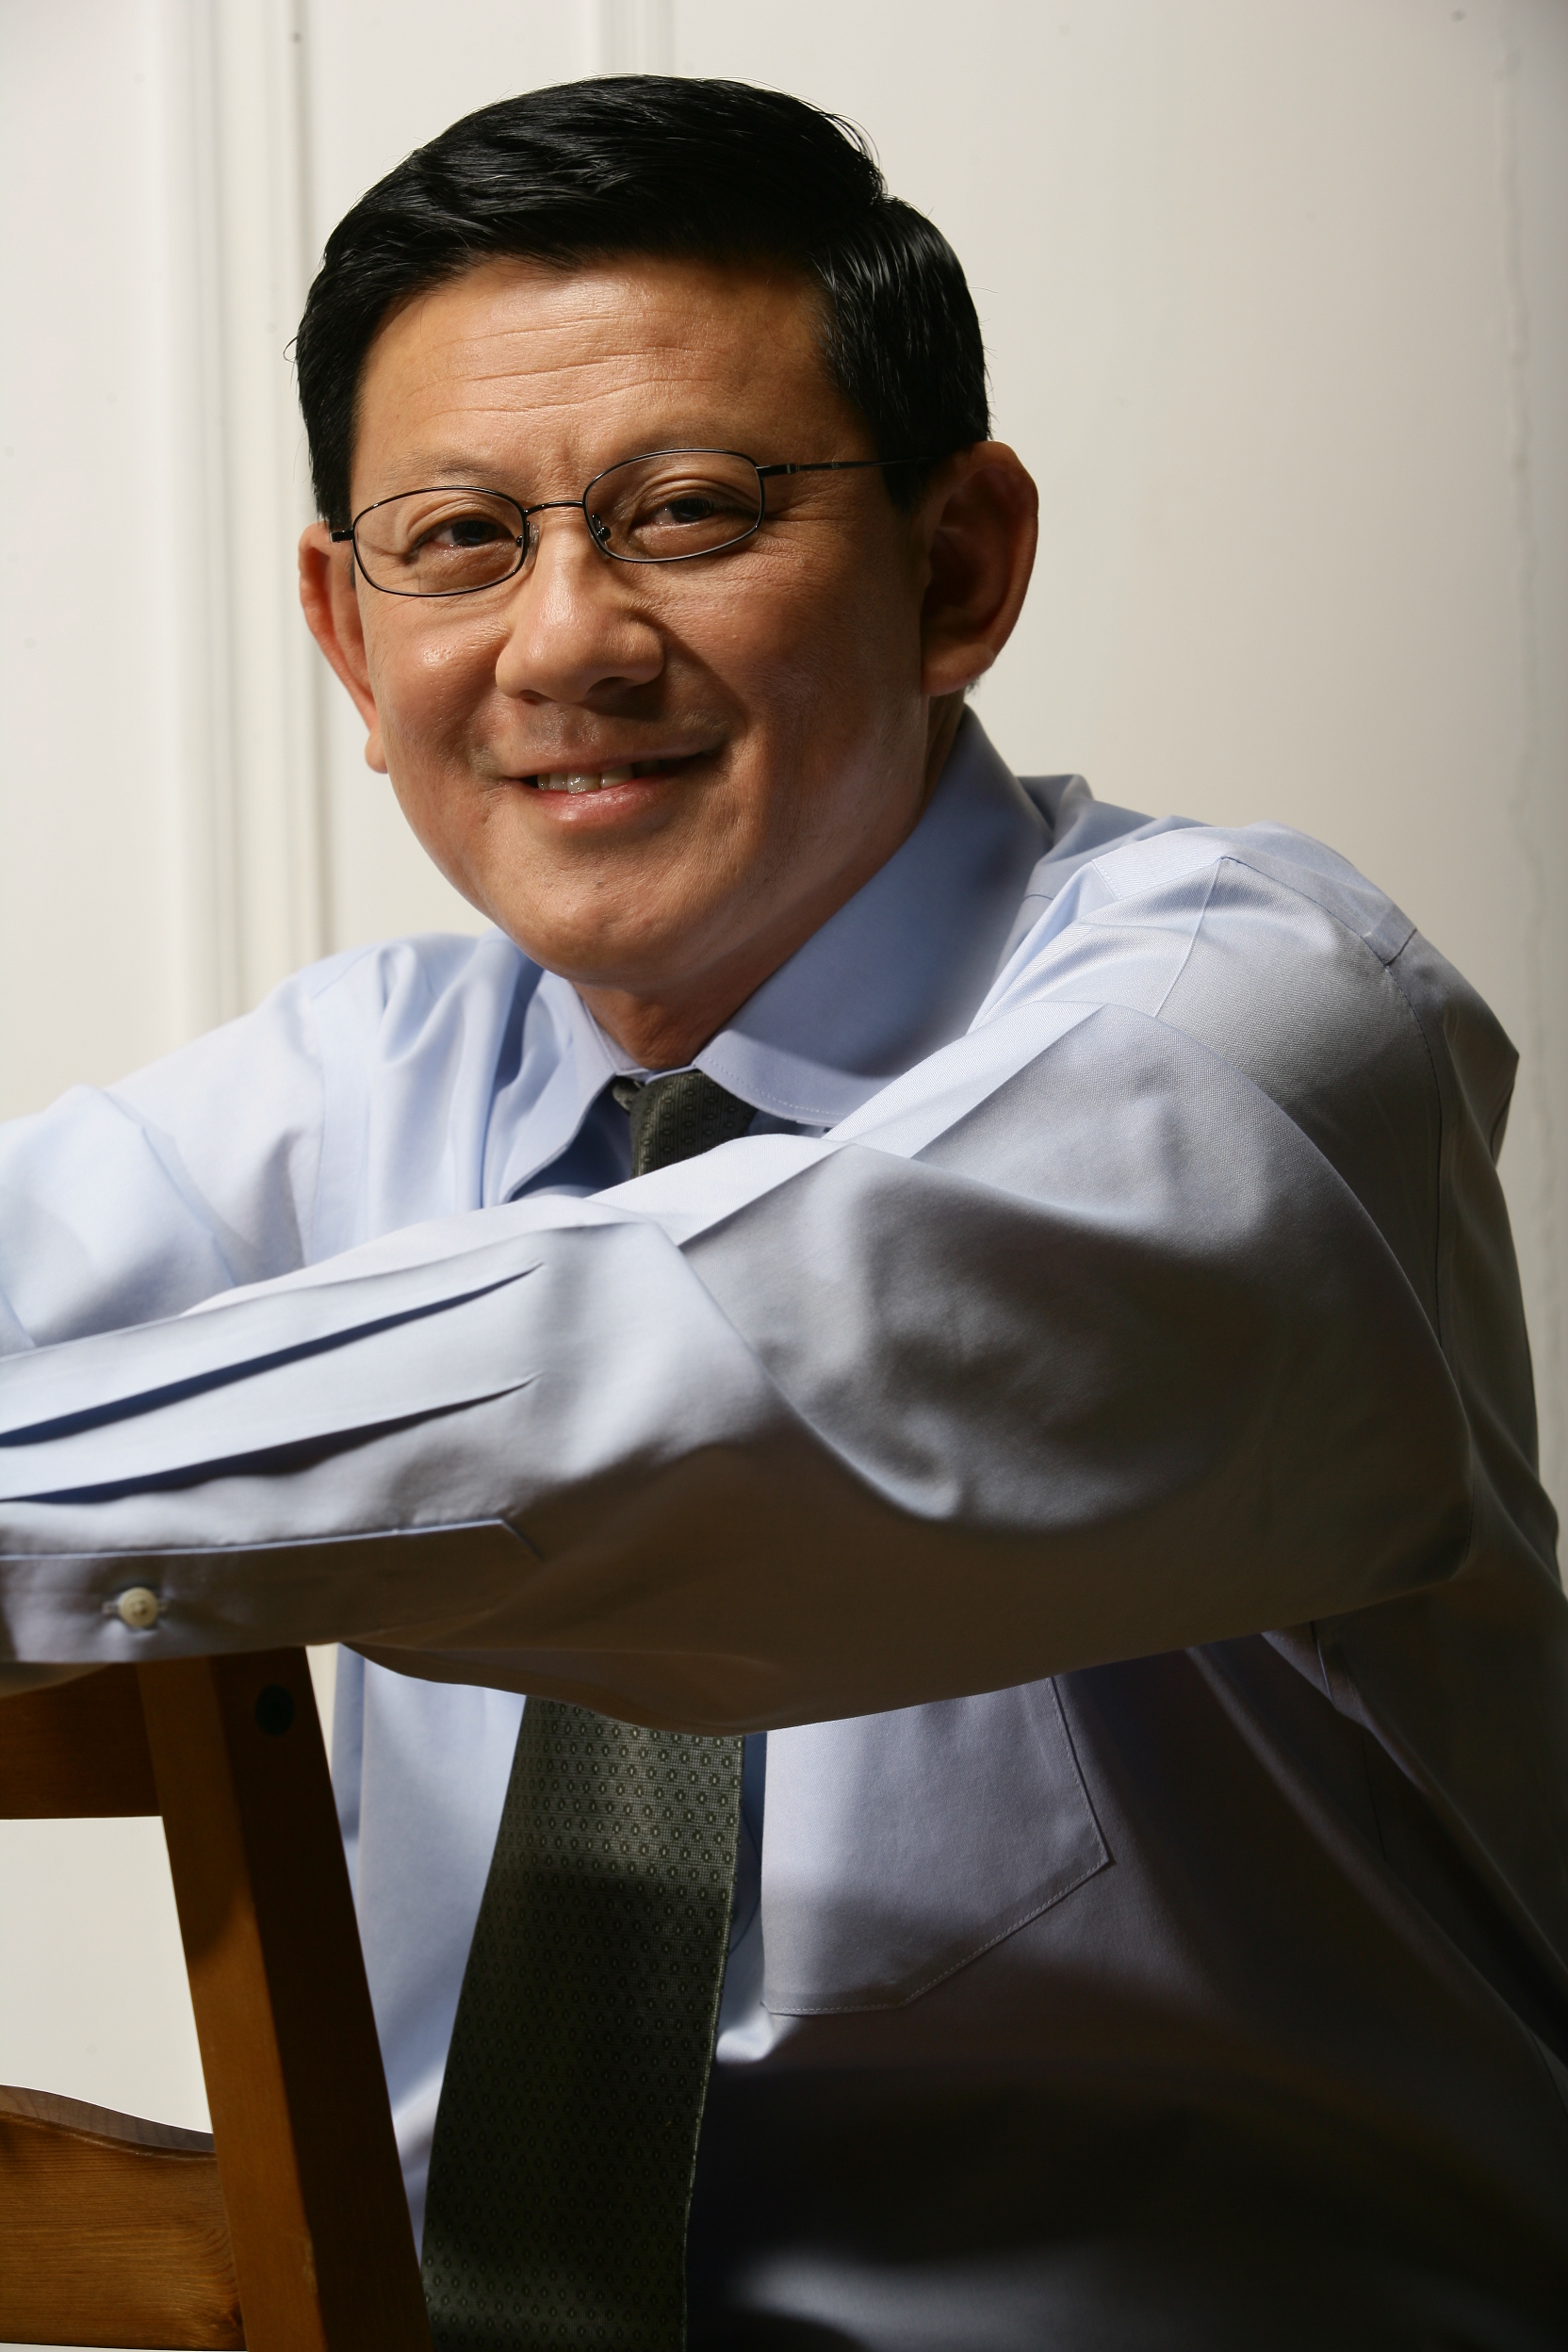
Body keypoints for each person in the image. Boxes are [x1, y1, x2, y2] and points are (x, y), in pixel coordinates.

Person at [2, 74, 1565, 2352]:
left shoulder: (1267, 1017)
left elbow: (742, 1371)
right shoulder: (356, 1088)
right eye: (460, 540)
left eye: (689, 513)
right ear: (348, 636)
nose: (564, 641)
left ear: (959, 567)